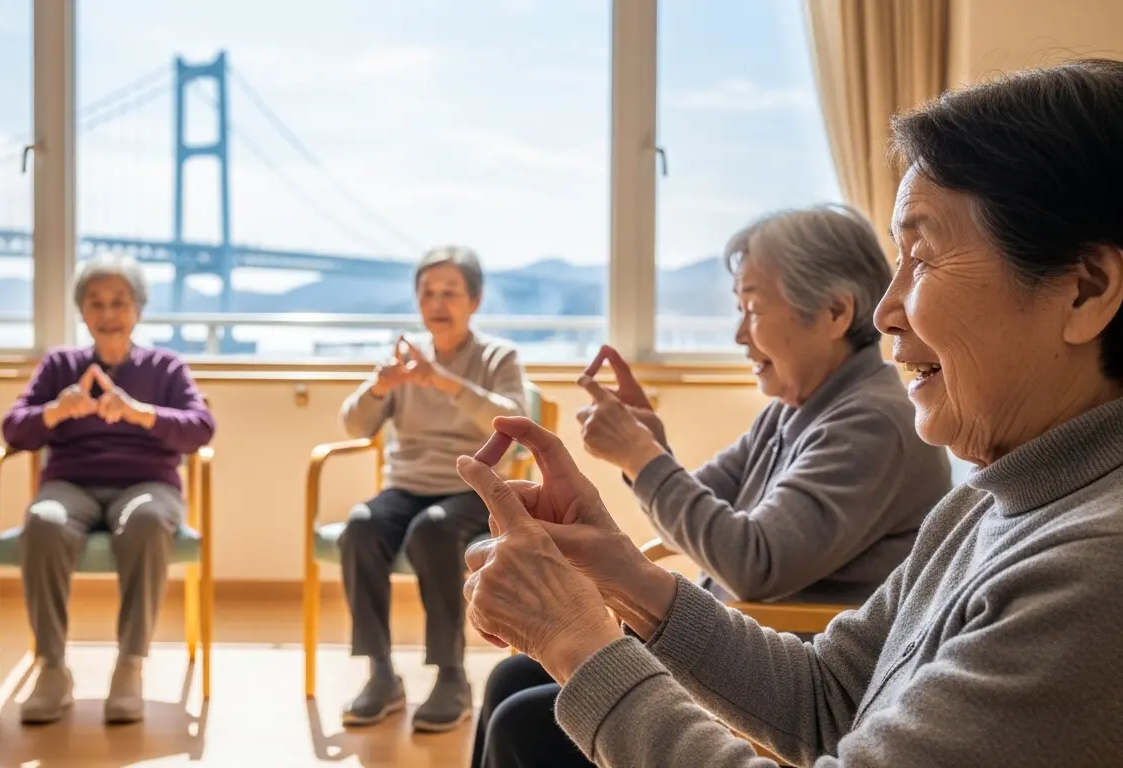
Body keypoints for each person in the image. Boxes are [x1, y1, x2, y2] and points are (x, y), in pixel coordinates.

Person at [460, 59, 1123, 766]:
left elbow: (752, 563)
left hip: (777, 613)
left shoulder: (1092, 575)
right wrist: (619, 567)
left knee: (526, 719)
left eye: (923, 259)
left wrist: (575, 634)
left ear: (1085, 290)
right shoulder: (991, 505)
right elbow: (829, 696)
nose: (887, 309)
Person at [471, 204, 953, 767]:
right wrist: (648, 450)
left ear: (834, 311)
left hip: (780, 665)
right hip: (743, 645)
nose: (739, 334)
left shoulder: (871, 422)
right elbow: (704, 505)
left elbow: (750, 562)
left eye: (751, 308)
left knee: (523, 721)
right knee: (512, 677)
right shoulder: (797, 410)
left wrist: (642, 455)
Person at [1, 253, 216, 725]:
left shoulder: (166, 367)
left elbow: (201, 429)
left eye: (119, 302)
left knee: (145, 520)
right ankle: (52, 669)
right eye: (96, 303)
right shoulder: (60, 365)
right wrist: (57, 411)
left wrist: (142, 413)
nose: (108, 314)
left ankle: (130, 665)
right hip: (71, 483)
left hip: (147, 484)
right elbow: (14, 430)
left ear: (138, 309)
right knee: (43, 521)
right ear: (82, 312)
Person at [336, 245, 528, 733]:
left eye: (450, 292)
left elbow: (514, 420)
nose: (437, 303)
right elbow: (356, 428)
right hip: (406, 486)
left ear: (475, 301)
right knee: (359, 527)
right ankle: (381, 673)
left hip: (470, 487)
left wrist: (441, 381)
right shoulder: (402, 358)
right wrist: (379, 388)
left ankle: (451, 676)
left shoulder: (497, 356)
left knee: (433, 531)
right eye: (428, 293)